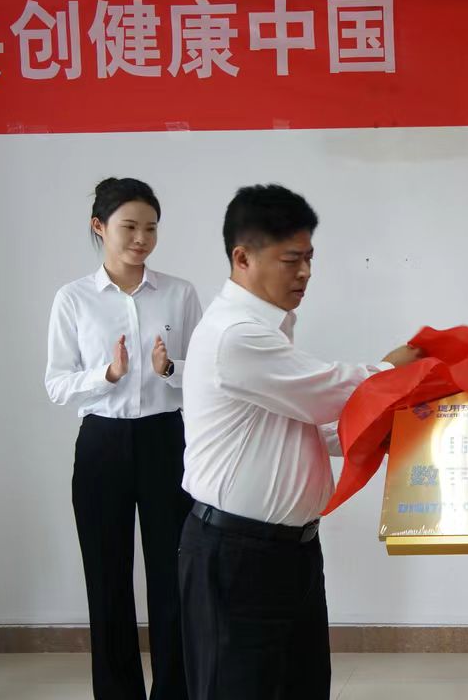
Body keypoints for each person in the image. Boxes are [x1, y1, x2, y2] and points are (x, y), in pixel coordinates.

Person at [178, 184, 420, 700]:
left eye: (310, 258)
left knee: (302, 687)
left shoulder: (270, 330)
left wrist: (393, 429)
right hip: (237, 554)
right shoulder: (235, 335)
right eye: (292, 260)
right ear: (243, 258)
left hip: (292, 552)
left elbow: (309, 426)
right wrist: (397, 367)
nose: (306, 272)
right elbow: (334, 391)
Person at [45, 177, 201, 700]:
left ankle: (175, 692)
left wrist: (169, 369)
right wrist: (107, 375)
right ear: (99, 227)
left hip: (166, 442)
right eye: (129, 227)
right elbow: (57, 384)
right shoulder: (73, 298)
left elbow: (206, 376)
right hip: (102, 445)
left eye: (151, 228)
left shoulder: (180, 293)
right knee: (107, 578)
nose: (141, 238)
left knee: (173, 576)